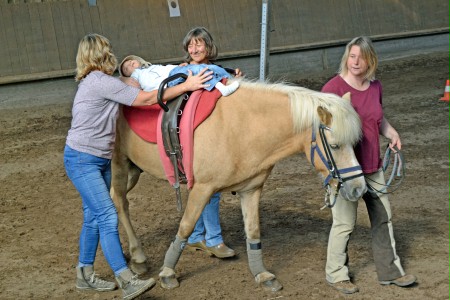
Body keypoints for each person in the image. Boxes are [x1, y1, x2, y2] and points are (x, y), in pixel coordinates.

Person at [63, 33, 212, 300]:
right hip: (82, 159)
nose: (112, 52)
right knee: (108, 216)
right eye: (107, 49)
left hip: (97, 157)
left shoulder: (101, 81)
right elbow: (145, 99)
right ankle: (126, 278)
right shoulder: (99, 82)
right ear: (100, 54)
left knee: (93, 218)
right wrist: (185, 86)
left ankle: (84, 273)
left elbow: (139, 83)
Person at [321, 36, 417, 294]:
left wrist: (392, 132)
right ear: (346, 58)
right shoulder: (332, 88)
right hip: (345, 171)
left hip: (373, 166)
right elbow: (321, 133)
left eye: (361, 57)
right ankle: (336, 273)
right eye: (352, 56)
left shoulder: (375, 87)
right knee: (344, 222)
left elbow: (378, 117)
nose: (356, 62)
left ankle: (390, 271)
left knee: (383, 217)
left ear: (370, 60)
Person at [181, 27, 242, 258]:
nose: (194, 49)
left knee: (202, 187)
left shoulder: (218, 69)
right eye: (191, 45)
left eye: (199, 44)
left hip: (212, 134)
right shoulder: (185, 70)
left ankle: (196, 235)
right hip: (195, 133)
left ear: (208, 46)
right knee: (210, 190)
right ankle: (214, 239)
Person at [119, 55, 239, 96]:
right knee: (200, 69)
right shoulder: (136, 74)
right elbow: (133, 84)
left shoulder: (150, 67)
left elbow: (166, 68)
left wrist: (179, 66)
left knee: (207, 67)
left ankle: (229, 77)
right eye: (126, 67)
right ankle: (222, 88)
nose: (130, 64)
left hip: (174, 71)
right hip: (169, 80)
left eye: (131, 61)